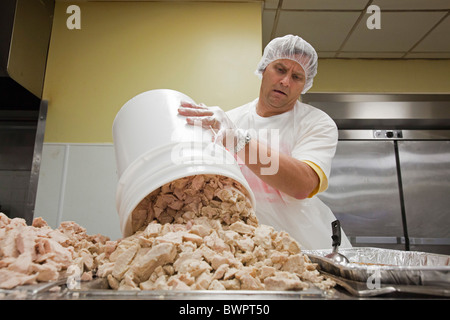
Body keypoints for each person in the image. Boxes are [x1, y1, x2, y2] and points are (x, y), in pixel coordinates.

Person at [178, 34, 351, 250]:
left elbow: (302, 185)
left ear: (304, 85)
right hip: (245, 249)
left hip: (307, 247)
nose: (285, 81)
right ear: (263, 69)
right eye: (280, 69)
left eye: (297, 77)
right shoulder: (230, 120)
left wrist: (239, 141)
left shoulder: (316, 123)